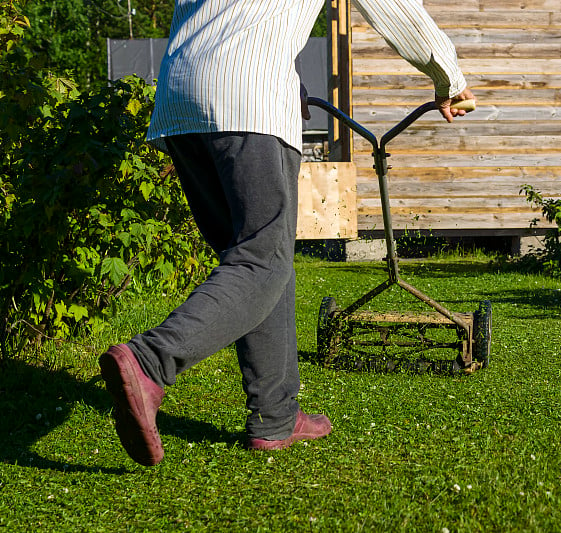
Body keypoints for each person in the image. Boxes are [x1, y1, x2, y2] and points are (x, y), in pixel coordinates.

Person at [99, 0, 475, 467]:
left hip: (181, 95)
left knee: (255, 263)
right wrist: (448, 78)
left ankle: (275, 417)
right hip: (247, 97)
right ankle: (149, 361)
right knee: (261, 262)